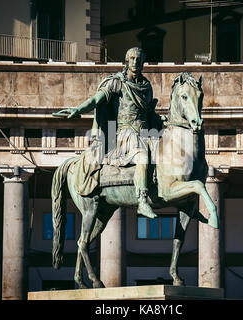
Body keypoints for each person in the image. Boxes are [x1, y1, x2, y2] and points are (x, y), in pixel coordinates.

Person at [53, 47, 162, 219]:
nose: (135, 62)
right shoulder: (117, 82)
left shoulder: (146, 86)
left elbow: (148, 112)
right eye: (132, 58)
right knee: (142, 157)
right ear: (127, 61)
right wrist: (79, 109)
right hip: (126, 134)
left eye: (139, 59)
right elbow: (97, 100)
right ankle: (142, 201)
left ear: (143, 63)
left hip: (147, 133)